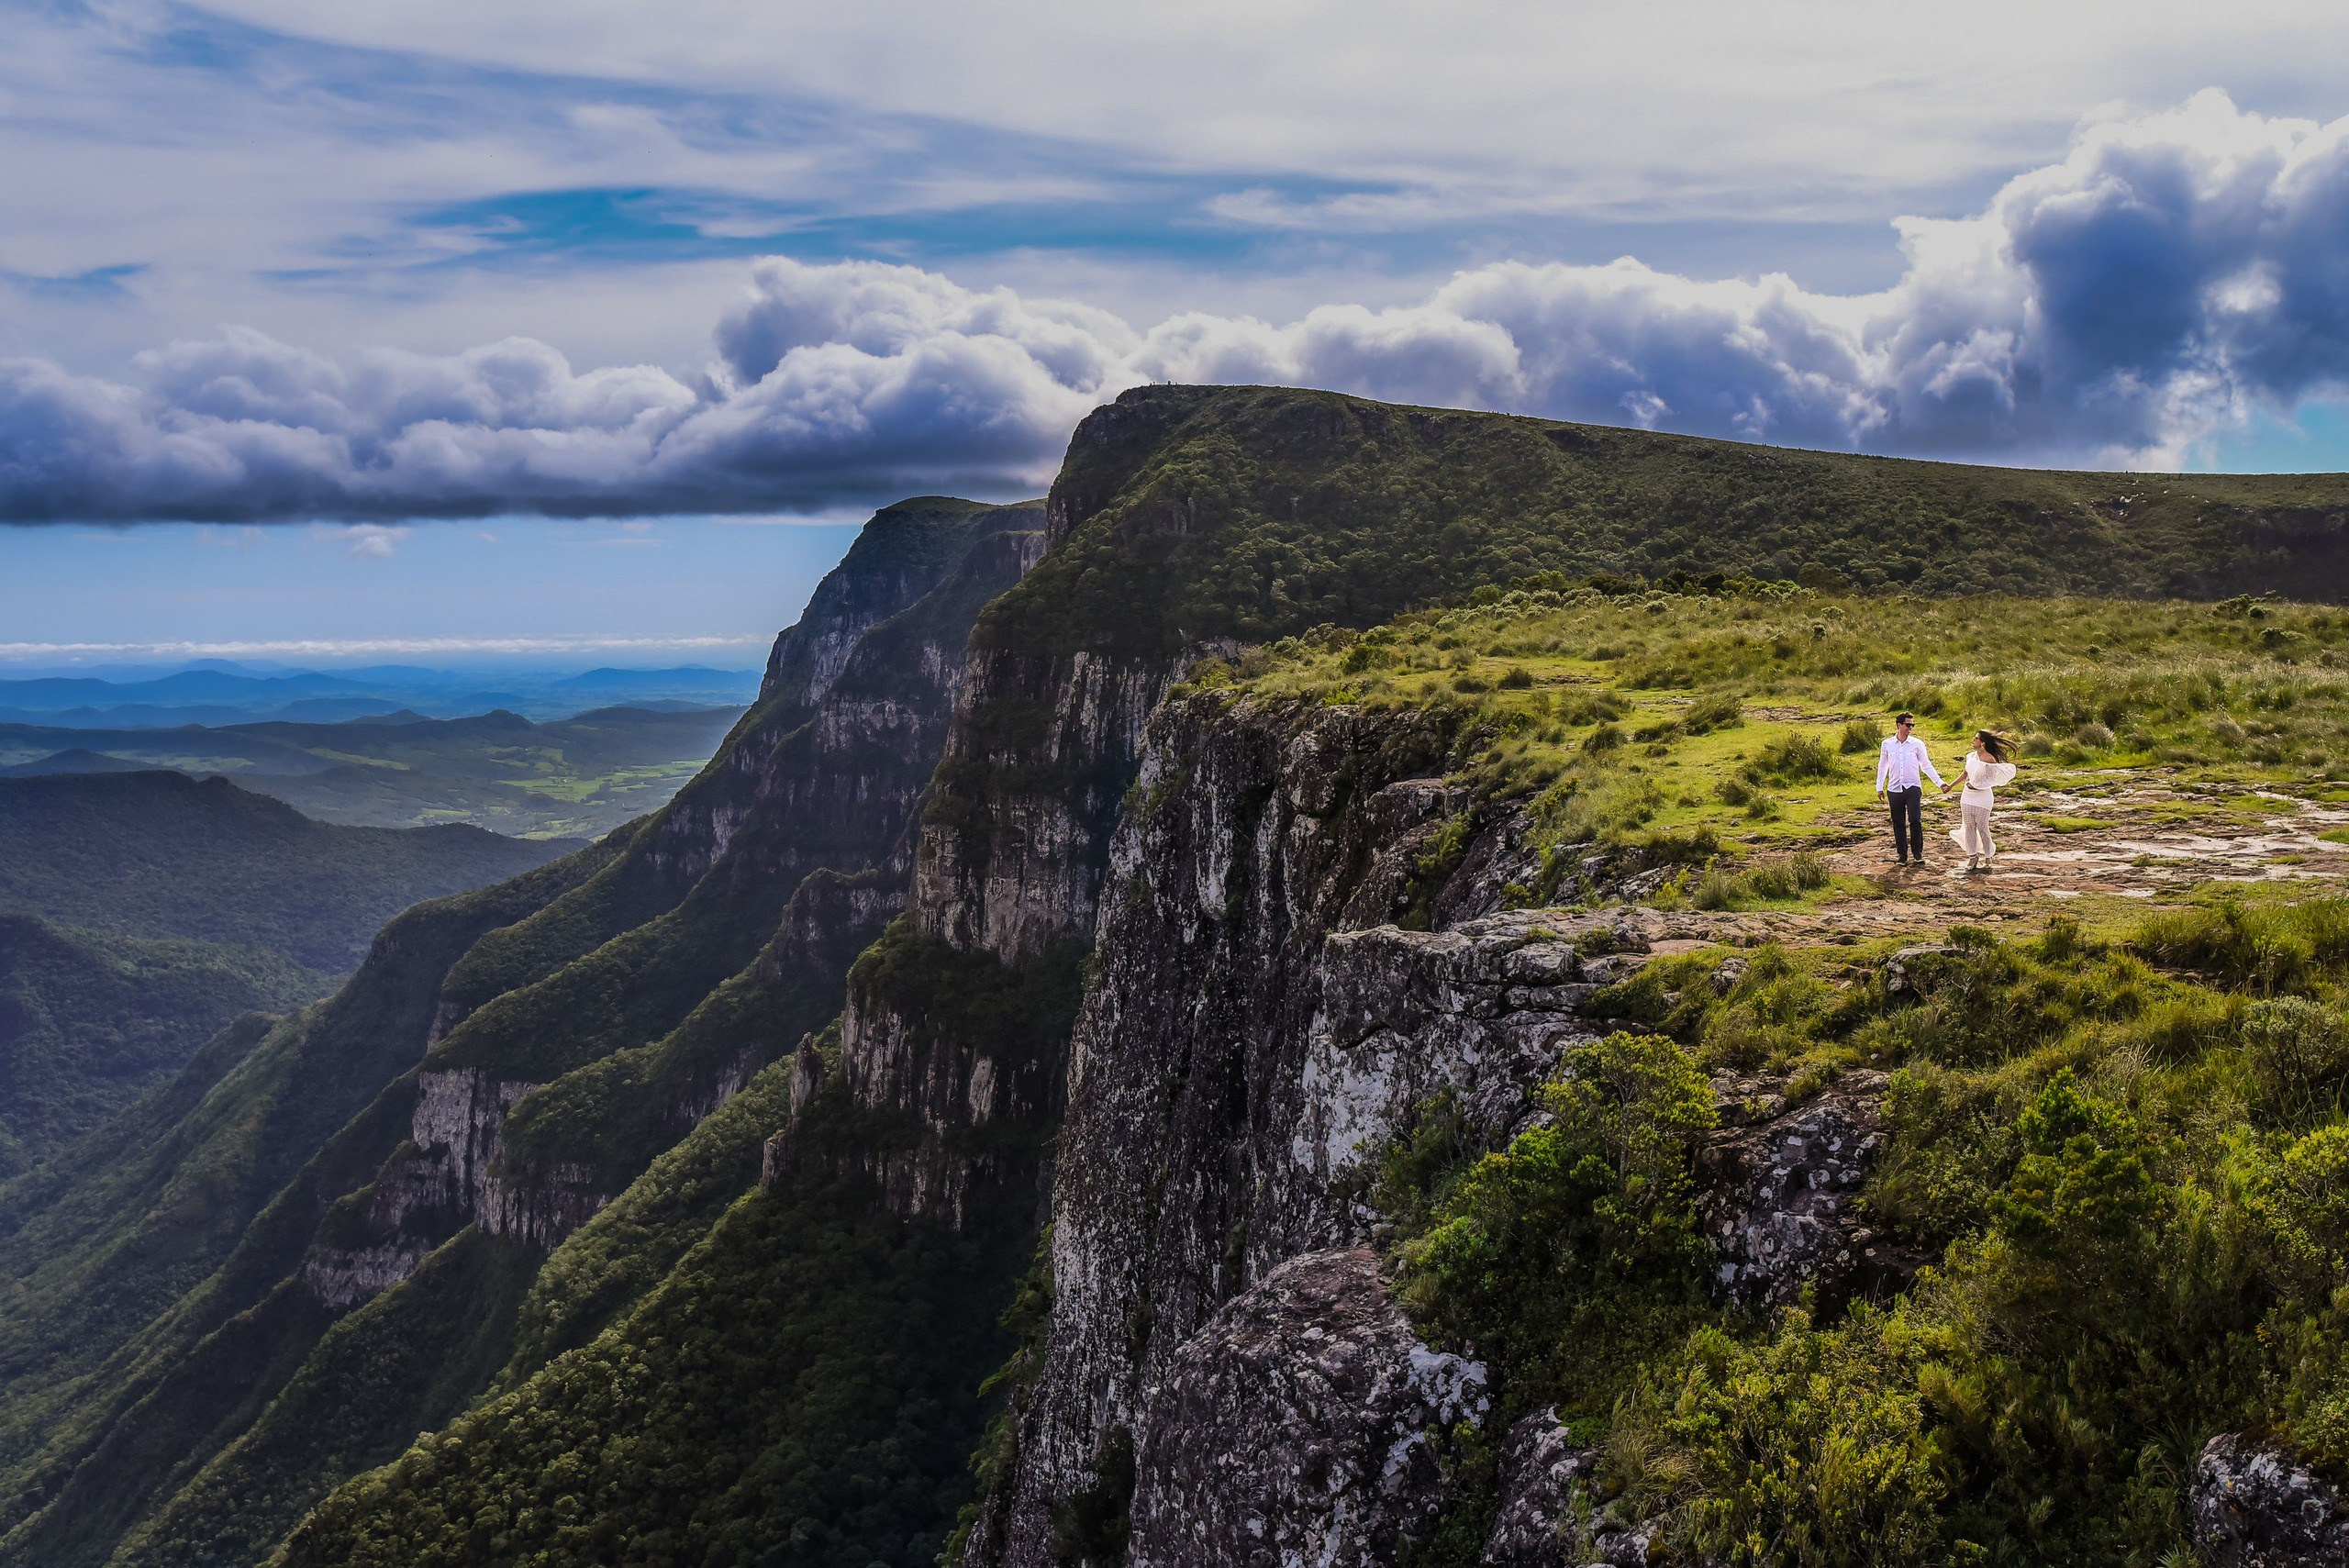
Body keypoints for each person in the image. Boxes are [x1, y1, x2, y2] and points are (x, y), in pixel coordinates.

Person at [1874, 712, 1944, 866]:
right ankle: (1902, 855)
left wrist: (1940, 783)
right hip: (1894, 788)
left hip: (1912, 786)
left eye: (1912, 725)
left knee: (1915, 820)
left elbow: (1926, 765)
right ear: (1899, 725)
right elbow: (1882, 765)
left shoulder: (1917, 744)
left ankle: (1917, 852)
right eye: (1908, 725)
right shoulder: (1887, 744)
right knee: (1898, 822)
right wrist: (1879, 787)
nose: (1910, 728)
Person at [1947, 729, 2016, 872]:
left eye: (1976, 738)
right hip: (1967, 796)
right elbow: (1965, 774)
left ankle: (1988, 856)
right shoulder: (1971, 756)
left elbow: (1991, 779)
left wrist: (1978, 785)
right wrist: (1951, 786)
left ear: (1983, 743)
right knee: (1969, 827)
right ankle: (1972, 857)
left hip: (1983, 797)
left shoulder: (1990, 759)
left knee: (1983, 827)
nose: (1973, 740)